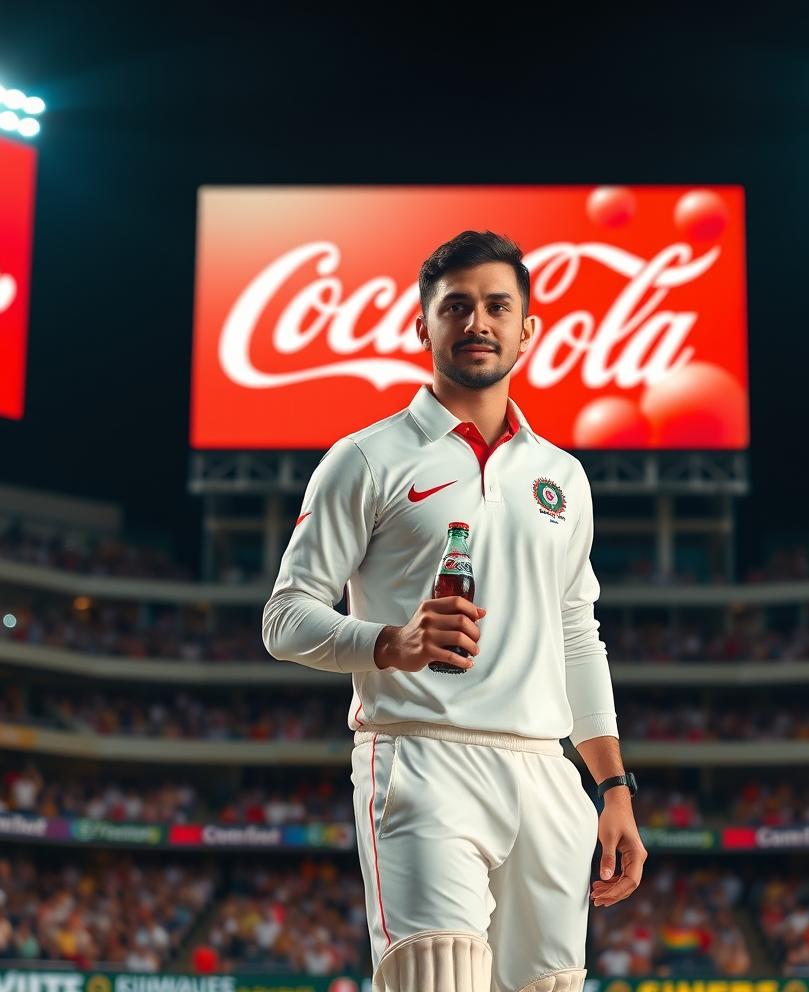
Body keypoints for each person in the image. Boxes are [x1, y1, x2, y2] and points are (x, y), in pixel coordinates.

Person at [263, 230, 647, 992]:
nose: (478, 322)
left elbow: (578, 634)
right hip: (420, 754)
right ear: (422, 325)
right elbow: (285, 618)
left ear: (528, 330)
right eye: (457, 306)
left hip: (546, 771)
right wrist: (389, 643)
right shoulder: (366, 457)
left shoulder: (563, 476)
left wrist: (613, 786)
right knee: (435, 979)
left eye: (498, 306)